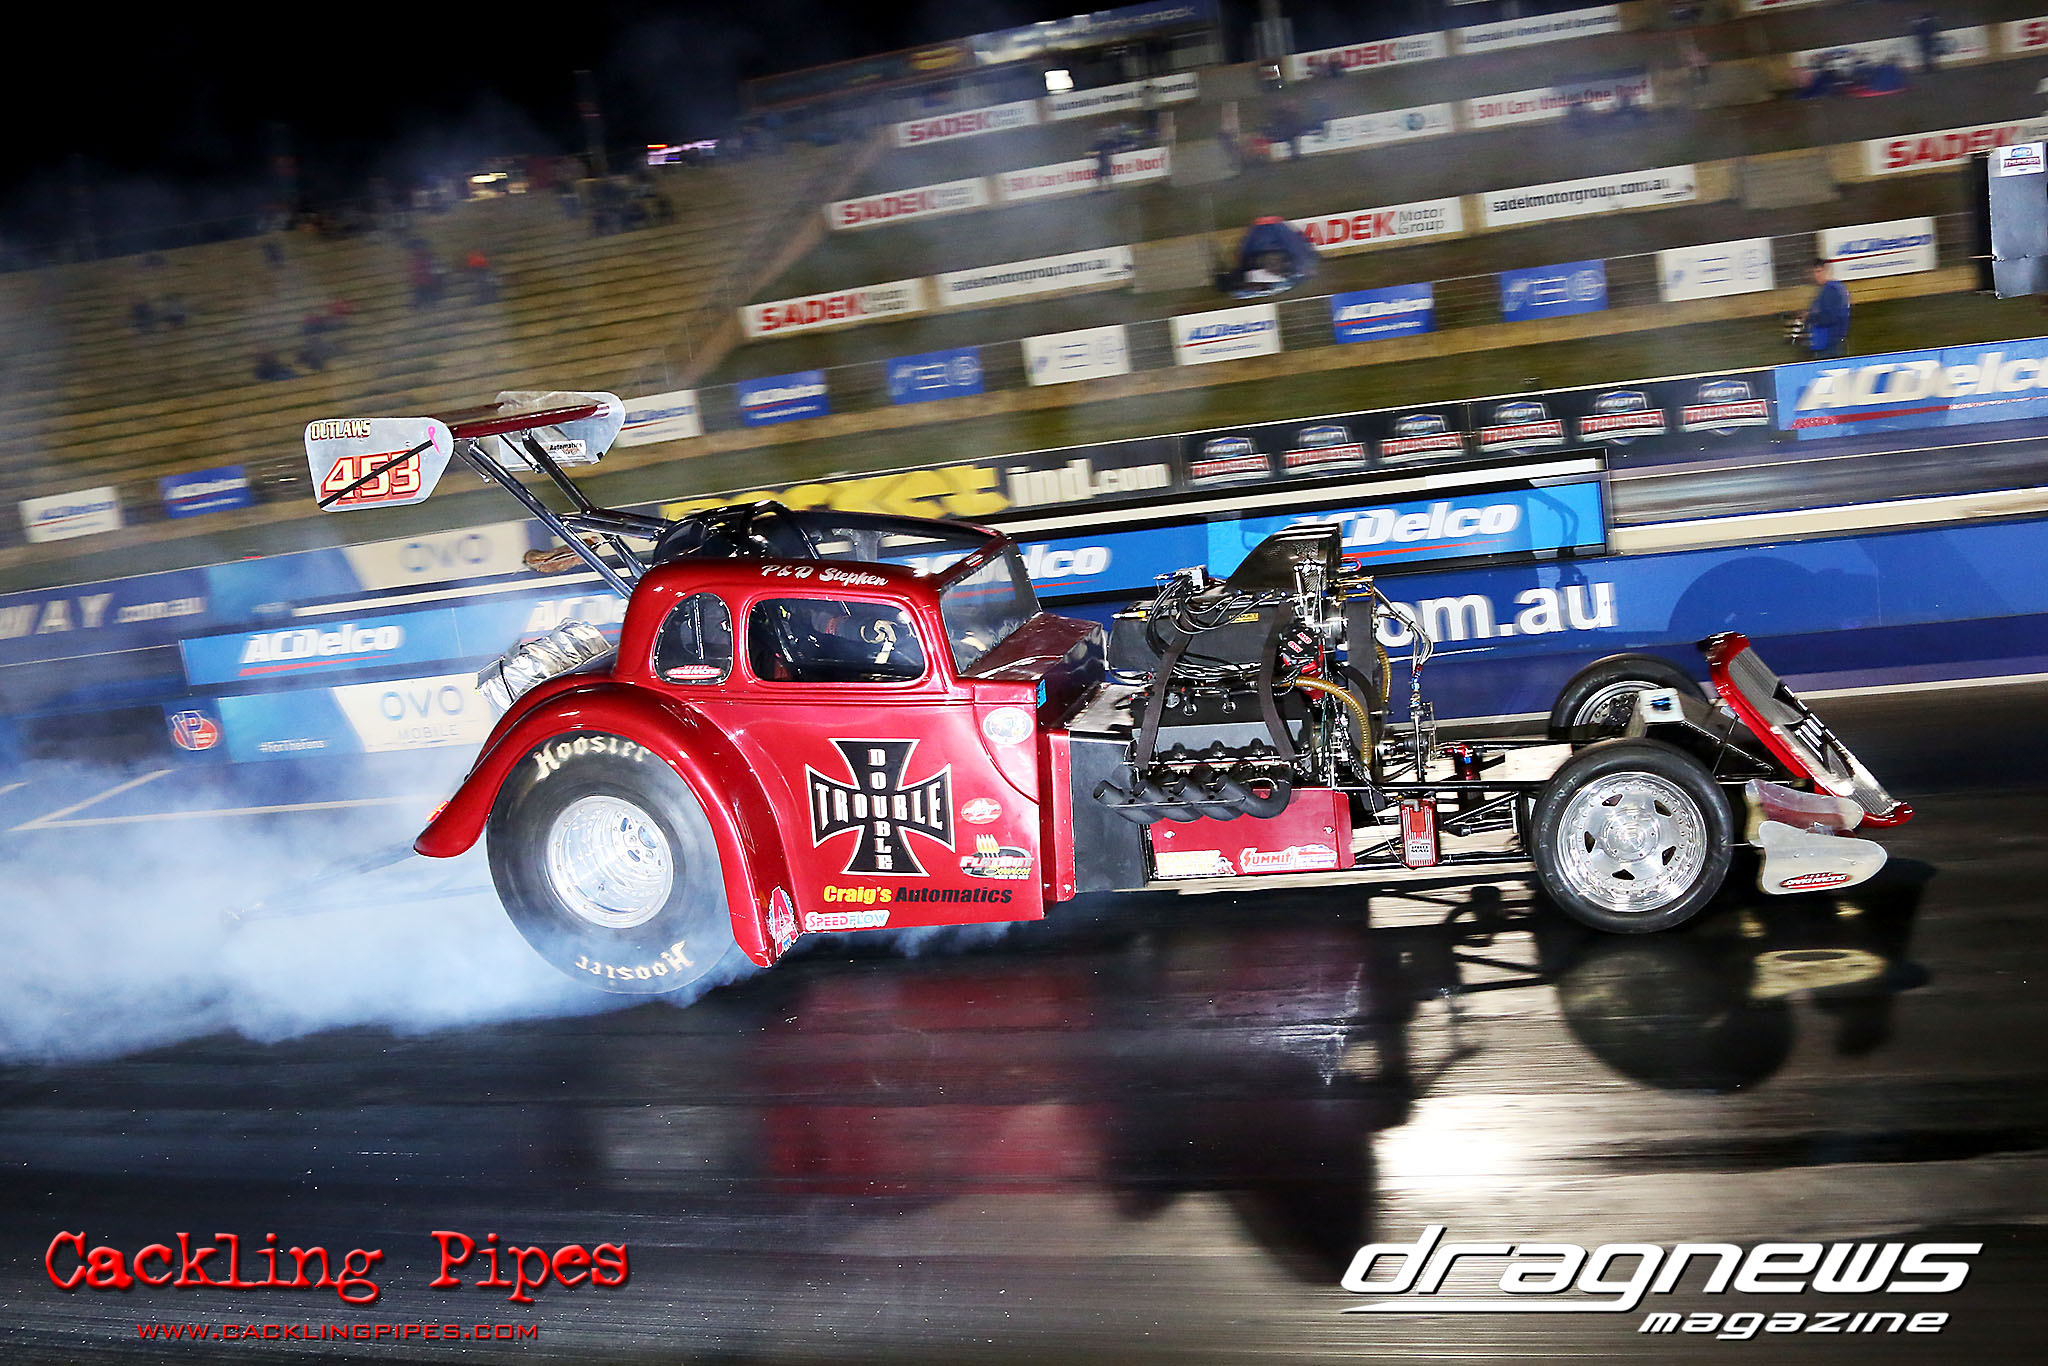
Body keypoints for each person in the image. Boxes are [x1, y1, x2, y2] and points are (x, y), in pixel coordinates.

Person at [1803, 257, 1851, 359]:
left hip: (1829, 343)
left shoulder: (1831, 290)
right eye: (1814, 272)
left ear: (1827, 271)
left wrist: (1809, 317)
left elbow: (1830, 317)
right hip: (1829, 341)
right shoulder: (1833, 288)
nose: (1816, 275)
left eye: (1819, 271)